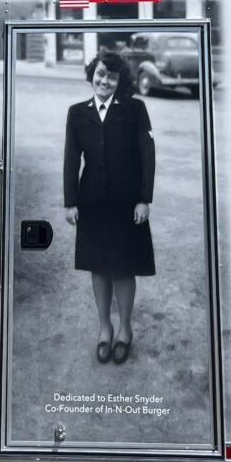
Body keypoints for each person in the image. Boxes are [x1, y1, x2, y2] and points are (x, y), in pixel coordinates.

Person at [64, 49, 155, 364]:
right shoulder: (77, 113)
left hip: (127, 203)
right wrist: (71, 202)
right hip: (91, 203)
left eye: (112, 76)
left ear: (120, 81)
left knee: (123, 267)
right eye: (100, 73)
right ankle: (105, 328)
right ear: (92, 74)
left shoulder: (134, 109)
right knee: (98, 266)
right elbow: (71, 159)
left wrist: (144, 198)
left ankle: (125, 329)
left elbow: (147, 155)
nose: (105, 80)